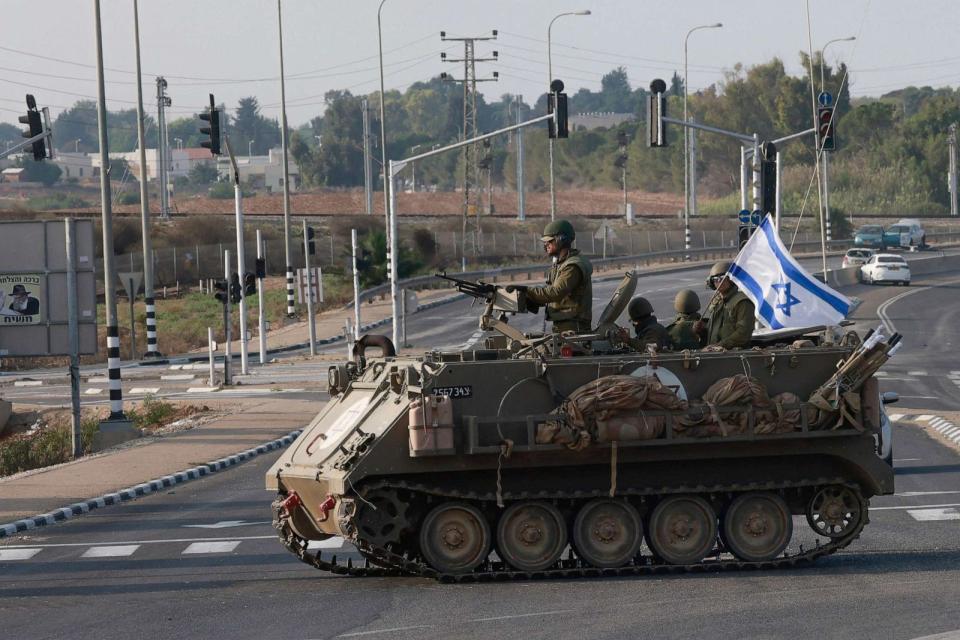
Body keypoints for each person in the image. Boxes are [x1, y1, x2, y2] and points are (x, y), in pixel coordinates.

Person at [523, 220, 593, 333]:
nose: (546, 245)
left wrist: (526, 290)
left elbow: (556, 292)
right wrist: (529, 298)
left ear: (562, 239)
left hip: (574, 327)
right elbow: (552, 293)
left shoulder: (572, 266)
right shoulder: (561, 264)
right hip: (565, 325)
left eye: (549, 241)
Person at [695, 261, 755, 349]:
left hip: (733, 355)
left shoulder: (742, 301)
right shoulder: (716, 302)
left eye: (723, 278)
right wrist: (701, 330)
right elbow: (713, 331)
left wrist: (721, 345)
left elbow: (743, 333)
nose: (719, 281)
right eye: (715, 279)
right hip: (714, 352)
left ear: (731, 279)